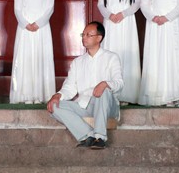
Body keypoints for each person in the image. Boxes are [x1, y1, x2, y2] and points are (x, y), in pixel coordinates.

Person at [47, 21, 123, 150]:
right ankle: (88, 135)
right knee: (54, 105)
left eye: (88, 35)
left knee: (104, 91)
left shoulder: (111, 57)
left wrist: (105, 84)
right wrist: (58, 95)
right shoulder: (77, 62)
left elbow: (119, 83)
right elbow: (70, 87)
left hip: (107, 106)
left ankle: (100, 137)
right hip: (84, 105)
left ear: (99, 38)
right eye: (83, 35)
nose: (84, 38)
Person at [97, 0, 142, 104]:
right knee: (111, 53)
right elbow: (101, 4)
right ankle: (110, 95)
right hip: (110, 22)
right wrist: (110, 15)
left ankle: (127, 94)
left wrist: (123, 14)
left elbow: (137, 2)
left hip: (126, 21)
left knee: (126, 54)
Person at [9, 0, 56, 104]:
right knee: (25, 59)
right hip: (25, 30)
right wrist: (26, 24)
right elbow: (17, 10)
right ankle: (25, 96)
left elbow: (49, 9)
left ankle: (41, 95)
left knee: (41, 58)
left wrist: (38, 24)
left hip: (42, 29)